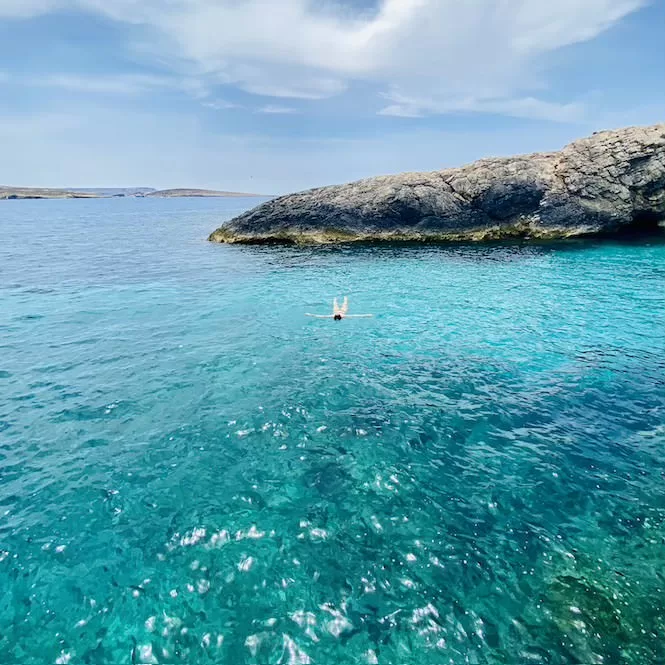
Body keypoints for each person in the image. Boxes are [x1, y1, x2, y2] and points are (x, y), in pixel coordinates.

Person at [306, 296, 373, 320]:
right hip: (343, 311)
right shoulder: (343, 315)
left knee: (335, 304)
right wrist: (367, 315)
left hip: (337, 310)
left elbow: (320, 316)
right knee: (345, 303)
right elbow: (356, 316)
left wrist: (309, 314)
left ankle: (336, 298)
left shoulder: (333, 315)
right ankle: (345, 298)